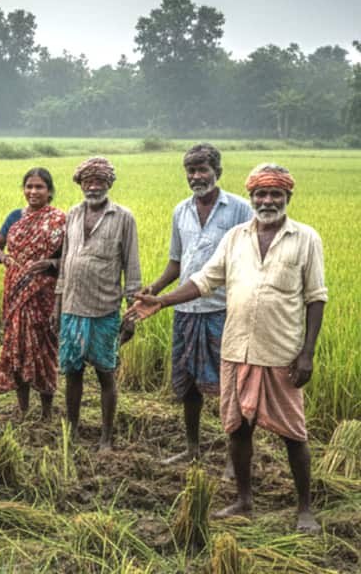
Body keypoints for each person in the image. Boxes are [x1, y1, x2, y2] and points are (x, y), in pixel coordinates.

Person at [127, 163, 327, 534]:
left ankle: (304, 509)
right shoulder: (236, 237)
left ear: (287, 197)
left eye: (275, 194)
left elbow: (316, 298)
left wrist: (307, 352)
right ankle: (243, 501)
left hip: (280, 352)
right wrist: (163, 300)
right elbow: (204, 280)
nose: (267, 201)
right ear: (251, 198)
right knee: (237, 429)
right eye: (260, 194)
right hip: (236, 350)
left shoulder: (306, 238)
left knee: (294, 434)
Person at [141, 144, 253, 469]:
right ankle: (192, 448)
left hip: (223, 312)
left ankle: (236, 460)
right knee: (189, 385)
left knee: (230, 388)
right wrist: (156, 288)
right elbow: (176, 262)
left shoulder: (240, 210)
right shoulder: (181, 210)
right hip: (185, 312)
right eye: (190, 170)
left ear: (217, 170)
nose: (196, 176)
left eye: (202, 169)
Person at [55, 157, 140, 451]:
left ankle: (106, 437)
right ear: (80, 184)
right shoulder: (73, 214)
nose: (93, 186)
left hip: (105, 310)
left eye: (99, 181)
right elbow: (65, 261)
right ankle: (73, 429)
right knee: (72, 372)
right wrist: (58, 306)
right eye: (88, 181)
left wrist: (132, 315)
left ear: (109, 183)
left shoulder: (123, 217)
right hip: (72, 308)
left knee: (106, 373)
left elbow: (132, 268)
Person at [0, 168, 66, 420]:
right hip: (16, 289)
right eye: (29, 187)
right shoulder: (15, 216)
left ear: (49, 191)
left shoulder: (59, 220)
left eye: (39, 187)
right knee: (17, 347)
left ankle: (46, 412)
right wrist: (6, 260)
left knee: (45, 348)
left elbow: (66, 257)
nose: (33, 192)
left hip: (45, 293)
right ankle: (22, 409)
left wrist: (49, 264)